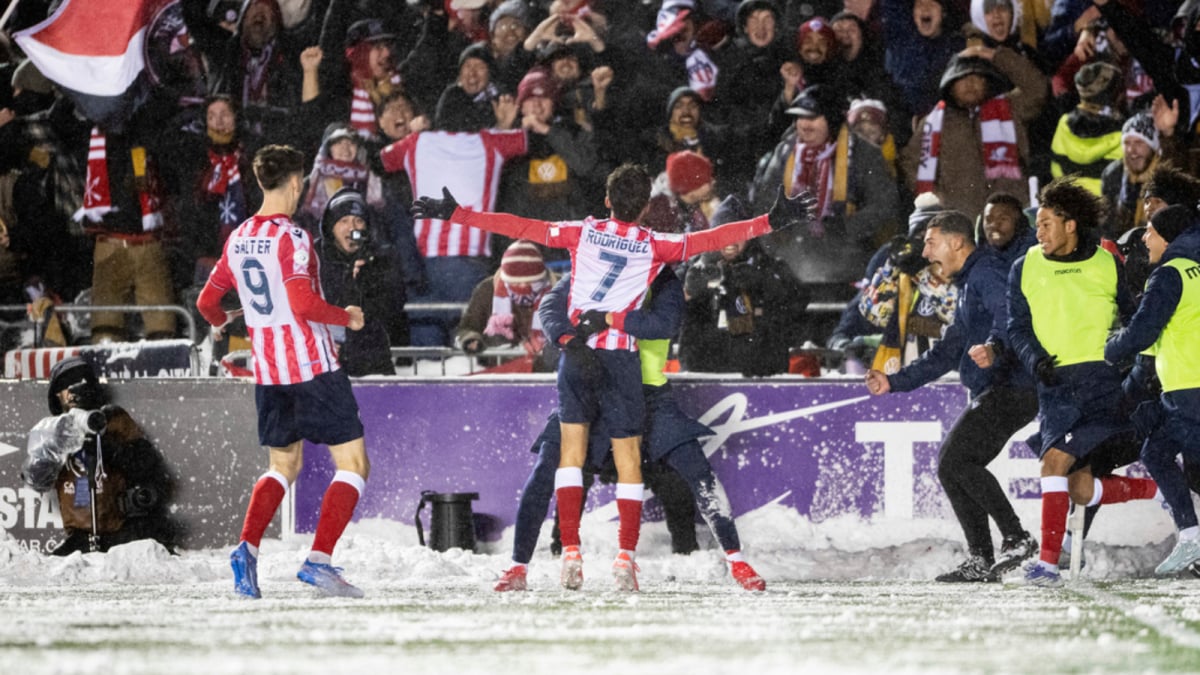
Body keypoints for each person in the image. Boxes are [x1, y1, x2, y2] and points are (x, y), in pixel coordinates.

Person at [412, 163, 812, 591]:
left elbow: (524, 227)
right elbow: (709, 240)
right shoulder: (658, 249)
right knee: (561, 469)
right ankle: (536, 564)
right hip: (610, 365)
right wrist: (770, 221)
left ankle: (729, 560)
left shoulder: (591, 243)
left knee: (656, 469)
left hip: (642, 388)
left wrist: (460, 215)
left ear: (607, 201)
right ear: (645, 210)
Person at [494, 266, 767, 592]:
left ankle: (735, 559)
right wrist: (570, 341)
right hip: (591, 389)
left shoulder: (664, 280)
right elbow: (551, 305)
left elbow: (663, 325)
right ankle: (518, 566)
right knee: (545, 470)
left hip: (650, 397)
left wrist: (608, 318)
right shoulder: (594, 264)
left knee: (697, 470)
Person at [195, 145, 370, 599]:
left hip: (269, 372)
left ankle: (246, 551)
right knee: (352, 465)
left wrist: (223, 322)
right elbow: (303, 304)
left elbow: (206, 304)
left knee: (282, 465)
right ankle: (319, 562)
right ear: (295, 183)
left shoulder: (238, 237)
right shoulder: (291, 236)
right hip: (313, 367)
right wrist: (346, 316)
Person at [864, 211, 1038, 582]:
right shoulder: (969, 282)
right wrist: (895, 382)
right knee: (952, 465)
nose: (926, 253)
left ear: (957, 242)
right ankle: (981, 557)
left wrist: (993, 347)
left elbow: (1010, 317)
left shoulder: (986, 273)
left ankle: (1016, 537)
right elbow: (946, 352)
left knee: (957, 461)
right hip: (1001, 387)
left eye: (931, 242)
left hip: (1014, 386)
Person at [1006, 176, 1159, 587]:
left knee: (1053, 462)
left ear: (1070, 225)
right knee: (1078, 486)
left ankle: (1047, 565)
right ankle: (1160, 494)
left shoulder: (1108, 263)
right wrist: (1035, 359)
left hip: (1099, 385)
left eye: (1045, 223)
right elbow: (1016, 327)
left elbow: (1134, 318)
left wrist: (1132, 365)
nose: (1037, 232)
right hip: (1054, 387)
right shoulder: (1024, 266)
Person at [1104, 205, 1200, 575]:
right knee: (1156, 450)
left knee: (1161, 454)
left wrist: (1110, 348)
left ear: (1169, 236)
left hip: (1188, 387)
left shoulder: (1168, 275)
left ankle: (1191, 537)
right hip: (1183, 387)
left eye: (1149, 231)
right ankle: (1190, 534)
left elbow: (1144, 331)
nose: (1144, 238)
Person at [20, 357, 179, 556]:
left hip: (124, 531)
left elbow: (147, 465)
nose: (73, 391)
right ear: (56, 396)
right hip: (80, 536)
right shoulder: (53, 429)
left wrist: (108, 449)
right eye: (65, 387)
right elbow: (36, 481)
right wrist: (54, 446)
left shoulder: (114, 419)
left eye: (81, 382)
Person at [317, 187, 408, 376]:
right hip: (321, 361)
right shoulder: (313, 256)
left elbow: (392, 308)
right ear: (330, 226)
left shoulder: (382, 258)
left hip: (370, 360)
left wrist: (366, 279)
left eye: (358, 220)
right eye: (343, 221)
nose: (352, 228)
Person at [455, 239, 558, 373]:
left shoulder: (560, 289)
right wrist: (470, 340)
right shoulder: (487, 290)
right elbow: (466, 328)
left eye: (530, 283)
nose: (523, 287)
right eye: (516, 283)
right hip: (500, 370)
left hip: (548, 372)